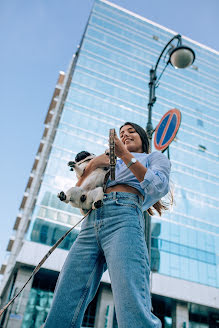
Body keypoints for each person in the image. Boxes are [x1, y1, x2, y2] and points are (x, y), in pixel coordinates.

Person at [44, 122, 171, 328]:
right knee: (67, 292)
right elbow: (78, 192)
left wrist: (124, 156)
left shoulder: (152, 158)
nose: (125, 135)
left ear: (142, 137)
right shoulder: (104, 161)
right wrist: (93, 165)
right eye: (121, 134)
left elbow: (158, 185)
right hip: (92, 220)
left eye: (131, 131)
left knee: (130, 295)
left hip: (124, 216)